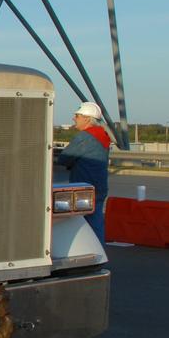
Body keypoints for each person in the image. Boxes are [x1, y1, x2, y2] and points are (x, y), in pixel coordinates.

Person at [57, 101, 110, 243]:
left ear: (87, 118)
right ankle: (99, 255)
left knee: (80, 225)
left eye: (77, 115)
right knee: (96, 222)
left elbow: (64, 158)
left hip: (83, 189)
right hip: (99, 186)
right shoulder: (103, 136)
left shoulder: (85, 137)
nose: (74, 118)